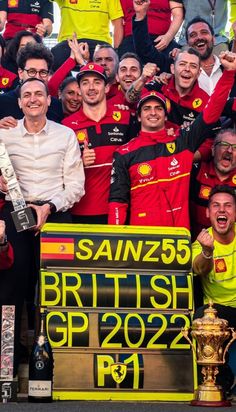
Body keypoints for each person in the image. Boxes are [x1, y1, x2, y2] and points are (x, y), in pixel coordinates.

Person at [0, 77, 84, 373]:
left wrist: (48, 207)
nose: (33, 99)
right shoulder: (4, 135)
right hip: (16, 211)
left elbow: (76, 186)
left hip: (55, 212)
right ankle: (7, 363)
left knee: (56, 289)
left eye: (39, 94)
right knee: (11, 287)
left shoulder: (65, 136)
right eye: (27, 95)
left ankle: (54, 363)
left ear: (50, 100)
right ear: (20, 102)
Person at [108, 51, 236, 228]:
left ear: (165, 114)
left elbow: (213, 109)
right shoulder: (123, 153)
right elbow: (117, 202)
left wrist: (229, 73)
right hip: (141, 242)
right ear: (138, 116)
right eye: (147, 108)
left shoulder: (182, 143)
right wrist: (115, 240)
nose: (153, 112)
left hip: (177, 240)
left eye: (158, 109)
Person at [63, 62, 138, 224]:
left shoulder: (125, 118)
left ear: (107, 88)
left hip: (120, 210)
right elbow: (56, 171)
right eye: (85, 83)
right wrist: (79, 163)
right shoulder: (67, 126)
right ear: (79, 89)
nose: (91, 88)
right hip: (81, 212)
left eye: (97, 82)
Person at [131, 1, 225, 95]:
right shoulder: (175, 67)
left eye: (204, 32)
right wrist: (140, 15)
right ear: (187, 43)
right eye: (193, 35)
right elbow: (145, 51)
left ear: (214, 39)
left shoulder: (227, 66)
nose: (199, 37)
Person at [192, 185, 236, 325]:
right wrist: (207, 252)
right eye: (216, 205)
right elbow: (199, 269)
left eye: (228, 205)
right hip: (218, 312)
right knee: (202, 316)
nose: (222, 210)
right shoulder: (202, 242)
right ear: (208, 212)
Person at [0, 42, 63, 126]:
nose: (37, 77)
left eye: (43, 72)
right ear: (20, 73)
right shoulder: (2, 102)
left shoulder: (56, 105)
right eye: (32, 71)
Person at [51, 0, 124, 71]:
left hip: (99, 42)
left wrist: (116, 51)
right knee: (54, 57)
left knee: (107, 63)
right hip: (70, 42)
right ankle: (69, 83)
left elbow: (118, 24)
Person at [191, 129, 236, 241]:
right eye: (224, 145)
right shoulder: (195, 171)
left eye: (235, 147)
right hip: (194, 245)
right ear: (212, 150)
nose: (229, 150)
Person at [118, 0, 183, 59]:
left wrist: (168, 37)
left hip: (161, 40)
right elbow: (117, 22)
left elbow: (178, 14)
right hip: (131, 39)